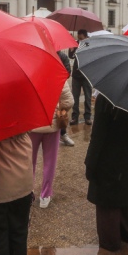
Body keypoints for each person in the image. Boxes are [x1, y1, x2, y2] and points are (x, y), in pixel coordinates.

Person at [85, 96, 128, 252]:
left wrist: (90, 163)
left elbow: (97, 136)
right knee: (125, 199)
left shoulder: (105, 99)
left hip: (108, 159)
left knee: (107, 204)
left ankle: (111, 242)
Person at [30, 80, 74, 208]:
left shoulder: (28, 73)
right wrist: (58, 108)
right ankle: (45, 194)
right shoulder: (57, 75)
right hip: (53, 124)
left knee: (29, 161)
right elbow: (68, 101)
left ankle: (28, 191)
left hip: (33, 124)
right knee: (50, 161)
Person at [68, 30, 92, 125]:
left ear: (86, 37)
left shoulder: (90, 45)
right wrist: (71, 50)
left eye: (81, 38)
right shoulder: (76, 43)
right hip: (76, 75)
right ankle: (75, 117)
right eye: (78, 38)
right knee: (75, 97)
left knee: (88, 97)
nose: (79, 40)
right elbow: (72, 56)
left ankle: (87, 116)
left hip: (87, 75)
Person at [56, 50, 75, 147]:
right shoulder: (41, 54)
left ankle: (63, 134)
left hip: (59, 87)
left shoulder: (62, 56)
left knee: (61, 112)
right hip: (44, 86)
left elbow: (68, 72)